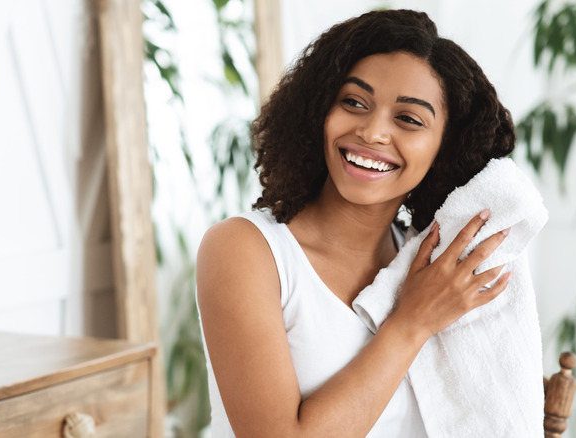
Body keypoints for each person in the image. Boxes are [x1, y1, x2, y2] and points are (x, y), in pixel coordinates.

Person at [197, 9, 516, 437]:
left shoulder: (427, 266)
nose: (372, 132)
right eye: (354, 102)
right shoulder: (245, 250)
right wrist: (411, 323)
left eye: (408, 119)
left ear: (444, 148)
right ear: (318, 111)